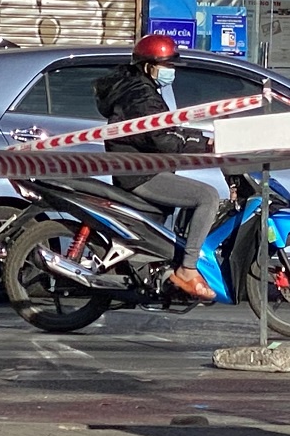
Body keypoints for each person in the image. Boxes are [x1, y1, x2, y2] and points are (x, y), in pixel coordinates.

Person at [93, 34, 219, 300]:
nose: (171, 71)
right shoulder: (140, 97)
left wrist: (201, 139)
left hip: (140, 169)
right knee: (207, 196)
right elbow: (164, 139)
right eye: (167, 66)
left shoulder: (139, 90)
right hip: (141, 174)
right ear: (149, 67)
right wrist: (205, 144)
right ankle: (187, 269)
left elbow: (167, 130)